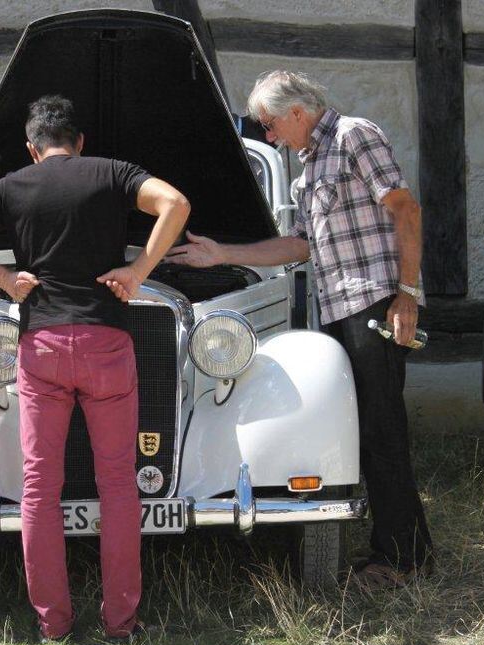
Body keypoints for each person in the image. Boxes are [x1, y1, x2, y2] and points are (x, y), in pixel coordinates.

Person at [0, 96, 190, 642]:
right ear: (80, 142)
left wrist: (4, 280)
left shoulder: (11, 187)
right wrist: (139, 269)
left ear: (32, 147)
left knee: (39, 486)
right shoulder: (113, 173)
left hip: (42, 344)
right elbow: (176, 203)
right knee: (117, 483)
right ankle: (120, 623)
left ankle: (53, 624)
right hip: (106, 342)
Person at [166, 70, 433, 588]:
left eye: (270, 124)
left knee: (382, 431)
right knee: (366, 431)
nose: (270, 136)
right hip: (338, 308)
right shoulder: (308, 169)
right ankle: (403, 550)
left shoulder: (354, 135)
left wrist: (407, 293)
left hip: (374, 300)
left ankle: (402, 560)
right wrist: (221, 254)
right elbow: (299, 246)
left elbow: (406, 208)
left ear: (296, 111)